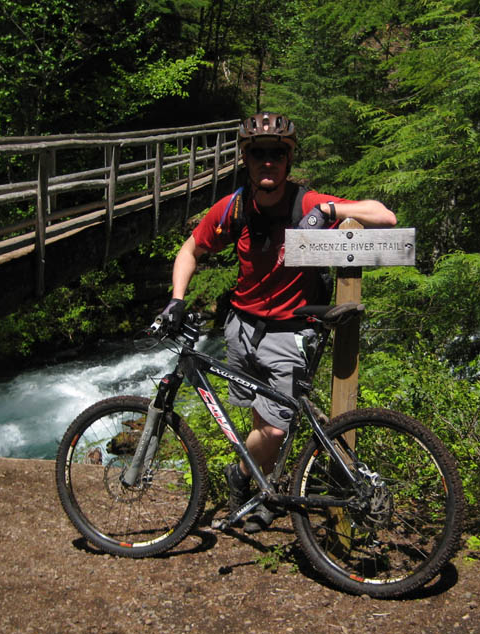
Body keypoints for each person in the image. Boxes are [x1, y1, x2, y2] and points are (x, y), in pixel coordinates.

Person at [159, 111, 396, 532]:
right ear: (246, 160)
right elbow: (191, 249)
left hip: (291, 332)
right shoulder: (234, 207)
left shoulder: (304, 202)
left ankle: (240, 476)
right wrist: (177, 299)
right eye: (259, 154)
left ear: (288, 161)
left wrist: (327, 209)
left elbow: (385, 216)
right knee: (261, 420)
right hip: (241, 328)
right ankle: (266, 493)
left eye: (277, 154)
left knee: (271, 430)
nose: (267, 162)